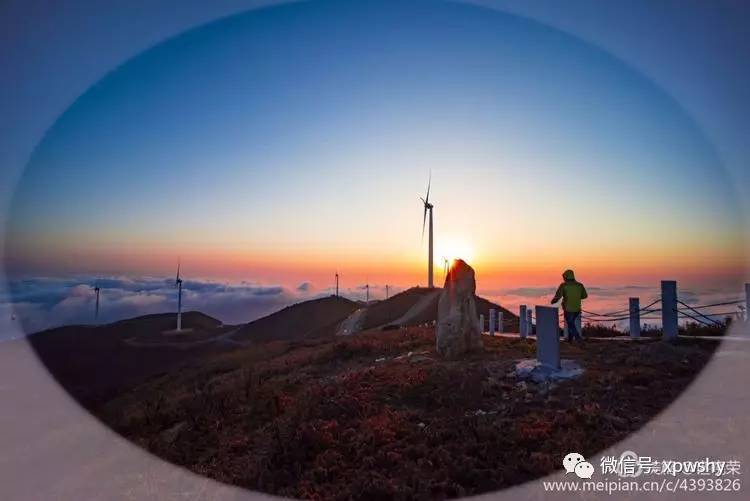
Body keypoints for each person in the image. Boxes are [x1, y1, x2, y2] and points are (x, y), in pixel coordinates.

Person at [551, 269, 588, 342]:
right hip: (577, 309)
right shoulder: (580, 285)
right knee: (571, 323)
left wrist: (553, 301)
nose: (563, 279)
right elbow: (584, 296)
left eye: (564, 277)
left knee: (570, 324)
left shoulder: (564, 285)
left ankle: (578, 338)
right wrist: (576, 296)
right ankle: (570, 340)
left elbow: (558, 296)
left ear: (566, 277)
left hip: (568, 308)